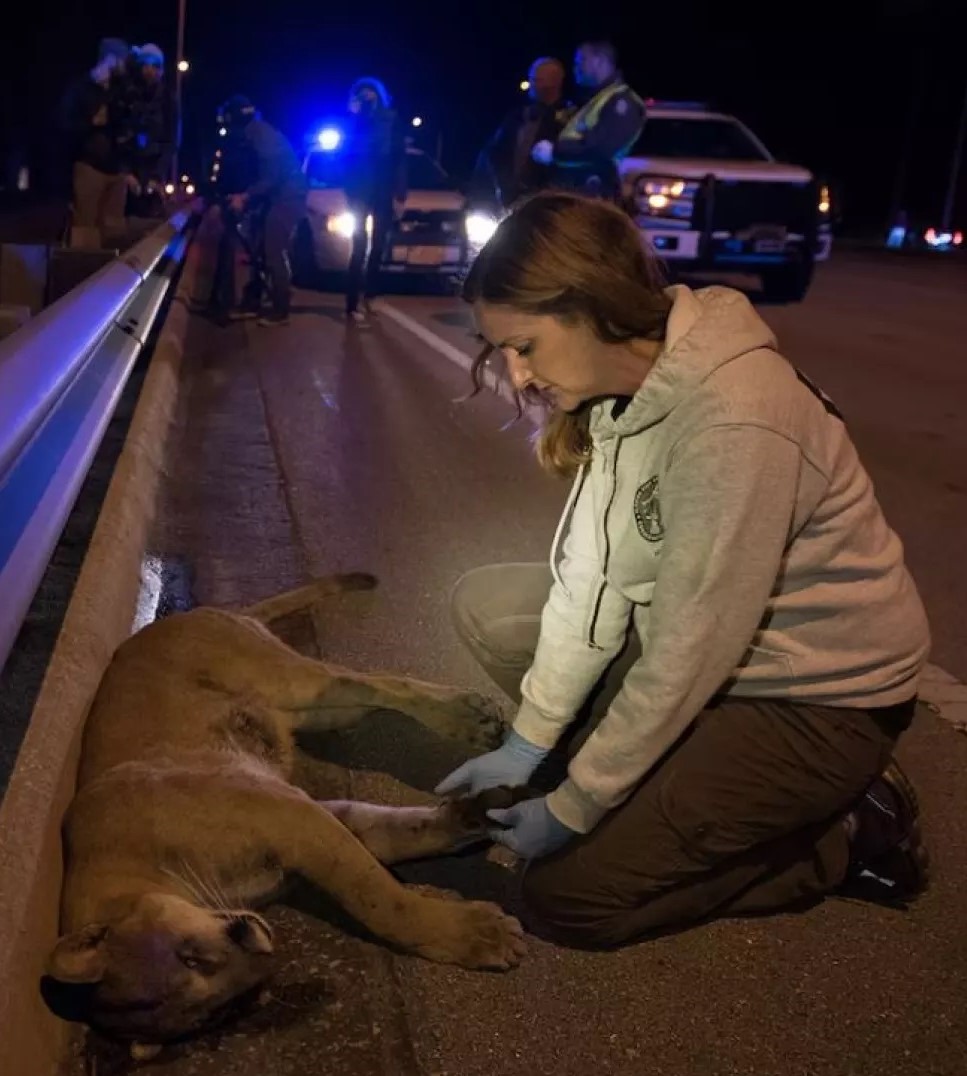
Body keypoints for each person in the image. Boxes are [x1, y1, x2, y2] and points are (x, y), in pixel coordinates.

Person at [435, 192, 931, 949]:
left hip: (814, 700)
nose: (517, 374)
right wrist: (529, 744)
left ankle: (847, 832)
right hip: (717, 660)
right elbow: (589, 583)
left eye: (525, 345)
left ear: (590, 308)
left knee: (567, 899)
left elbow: (689, 652)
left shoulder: (732, 420)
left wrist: (573, 807)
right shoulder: (621, 396)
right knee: (494, 604)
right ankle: (671, 783)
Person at [222, 95, 307, 326]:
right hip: (277, 195)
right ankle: (253, 301)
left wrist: (245, 196)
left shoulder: (260, 135)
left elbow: (271, 177)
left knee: (272, 249)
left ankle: (281, 309)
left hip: (287, 197)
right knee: (258, 248)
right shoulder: (255, 133)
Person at [531, 41, 645, 201]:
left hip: (594, 195)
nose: (575, 68)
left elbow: (601, 148)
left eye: (581, 61)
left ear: (599, 61)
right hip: (575, 193)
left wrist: (555, 152)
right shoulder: (595, 100)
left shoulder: (621, 102)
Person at [342, 77, 407, 323]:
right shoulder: (352, 122)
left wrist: (400, 194)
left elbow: (400, 159)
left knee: (379, 245)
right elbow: (345, 160)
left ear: (380, 96)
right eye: (362, 95)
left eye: (371, 94)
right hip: (359, 190)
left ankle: (371, 295)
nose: (368, 98)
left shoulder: (391, 121)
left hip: (382, 188)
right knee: (358, 246)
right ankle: (351, 303)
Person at [472, 57, 573, 211]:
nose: (532, 85)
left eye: (538, 80)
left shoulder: (568, 117)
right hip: (511, 196)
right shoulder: (518, 116)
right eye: (532, 79)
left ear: (555, 82)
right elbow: (494, 152)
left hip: (548, 198)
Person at [60, 37, 130, 245]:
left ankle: (111, 275)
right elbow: (64, 123)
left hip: (116, 170)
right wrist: (91, 122)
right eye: (122, 60)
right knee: (85, 229)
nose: (125, 65)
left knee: (112, 231)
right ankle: (82, 272)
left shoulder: (120, 90)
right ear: (110, 59)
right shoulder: (81, 88)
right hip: (89, 167)